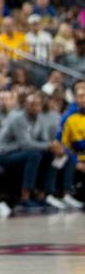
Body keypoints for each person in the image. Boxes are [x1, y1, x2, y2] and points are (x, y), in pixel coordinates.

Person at [0, 92, 64, 212]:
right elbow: (26, 144)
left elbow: (44, 139)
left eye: (37, 105)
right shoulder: (18, 119)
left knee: (51, 154)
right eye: (32, 105)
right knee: (34, 155)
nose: (35, 108)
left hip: (20, 153)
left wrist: (54, 146)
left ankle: (43, 194)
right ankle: (25, 197)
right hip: (2, 154)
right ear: (26, 105)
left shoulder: (39, 119)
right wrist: (49, 145)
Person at [54, 79, 85, 209]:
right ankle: (66, 193)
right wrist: (77, 162)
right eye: (81, 95)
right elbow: (61, 144)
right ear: (75, 98)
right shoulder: (68, 117)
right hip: (78, 159)